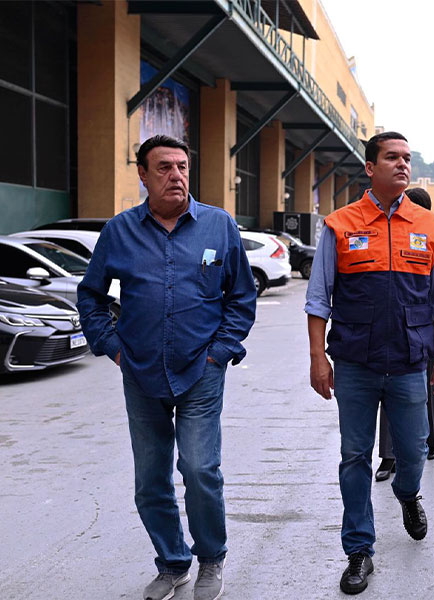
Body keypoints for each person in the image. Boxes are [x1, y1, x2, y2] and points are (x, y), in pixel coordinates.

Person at [77, 135, 257, 600]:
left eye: (182, 166)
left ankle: (211, 559)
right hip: (140, 373)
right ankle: (173, 562)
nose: (176, 175)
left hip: (201, 370)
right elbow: (91, 295)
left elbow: (241, 297)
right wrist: (111, 347)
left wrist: (220, 353)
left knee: (199, 469)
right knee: (151, 479)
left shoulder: (218, 226)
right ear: (142, 174)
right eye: (164, 168)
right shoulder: (120, 231)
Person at [304, 132, 434, 595]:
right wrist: (317, 359)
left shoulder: (431, 227)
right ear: (370, 168)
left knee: (414, 450)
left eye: (407, 158)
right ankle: (359, 550)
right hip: (354, 363)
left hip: (411, 363)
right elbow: (317, 298)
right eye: (392, 157)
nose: (402, 165)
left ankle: (408, 494)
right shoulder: (340, 224)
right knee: (355, 456)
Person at [375, 187, 434, 482]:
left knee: (430, 388)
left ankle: (431, 440)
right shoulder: (387, 233)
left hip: (428, 326)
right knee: (389, 390)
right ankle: (389, 455)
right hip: (392, 327)